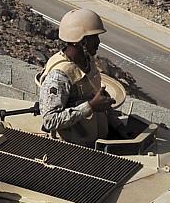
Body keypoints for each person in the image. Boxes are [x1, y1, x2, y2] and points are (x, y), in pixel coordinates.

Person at [37, 9, 114, 145]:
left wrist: (117, 124)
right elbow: (50, 121)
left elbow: (96, 97)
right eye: (93, 37)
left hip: (96, 141)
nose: (98, 42)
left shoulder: (88, 61)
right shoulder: (59, 76)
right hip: (72, 148)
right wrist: (90, 106)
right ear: (80, 41)